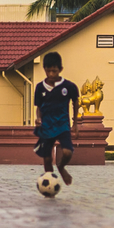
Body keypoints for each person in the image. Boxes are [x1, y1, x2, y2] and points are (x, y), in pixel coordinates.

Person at [33, 51, 79, 185]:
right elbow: (39, 106)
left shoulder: (69, 86)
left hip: (63, 124)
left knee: (67, 153)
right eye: (48, 71)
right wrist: (38, 118)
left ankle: (61, 166)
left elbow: (75, 102)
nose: (51, 74)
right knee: (47, 159)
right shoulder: (40, 87)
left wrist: (75, 123)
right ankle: (49, 183)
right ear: (44, 70)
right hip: (47, 126)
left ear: (60, 70)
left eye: (54, 71)